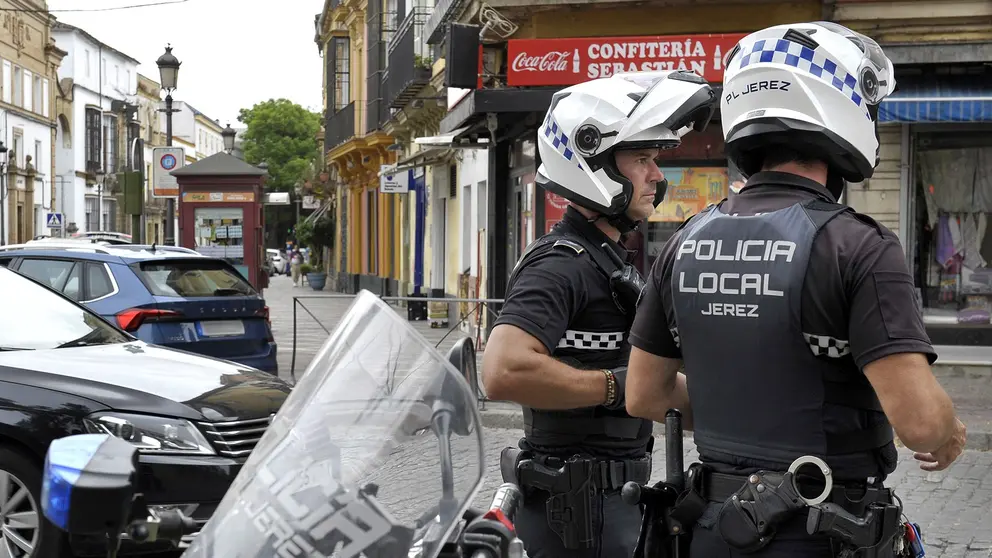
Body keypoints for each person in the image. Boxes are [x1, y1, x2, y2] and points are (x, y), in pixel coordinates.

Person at [624, 22, 966, 557]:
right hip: (821, 534)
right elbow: (921, 423)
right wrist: (948, 430)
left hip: (710, 532)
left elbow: (645, 395)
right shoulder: (859, 246)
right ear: (839, 105)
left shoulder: (682, 241)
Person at [481, 70, 718, 558]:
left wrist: (749, 421)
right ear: (593, 161)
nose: (657, 175)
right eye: (643, 160)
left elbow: (649, 386)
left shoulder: (607, 260)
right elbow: (503, 371)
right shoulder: (559, 264)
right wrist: (616, 386)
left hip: (613, 503)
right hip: (574, 514)